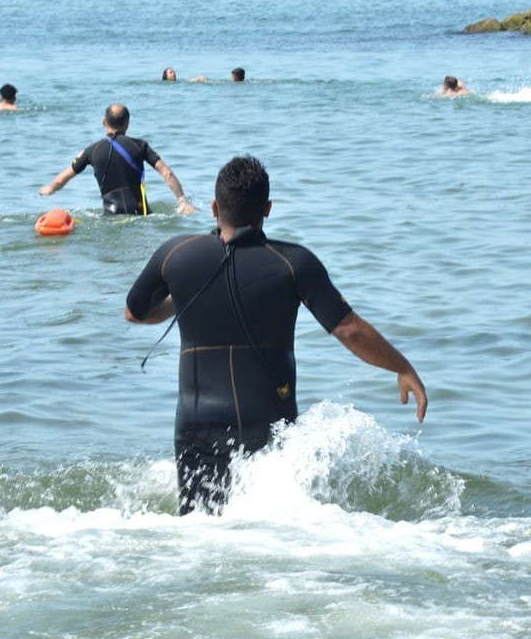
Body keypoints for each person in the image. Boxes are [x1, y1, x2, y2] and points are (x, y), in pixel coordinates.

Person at [124, 155, 428, 515]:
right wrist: (402, 367)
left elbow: (135, 311)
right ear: (267, 208)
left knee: (199, 532)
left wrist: (184, 299)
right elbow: (349, 329)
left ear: (214, 207)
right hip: (267, 420)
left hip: (196, 422)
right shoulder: (293, 262)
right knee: (266, 529)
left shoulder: (176, 253)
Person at [39, 103, 196, 215]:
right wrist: (183, 201)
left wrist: (50, 189)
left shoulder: (92, 151)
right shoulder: (140, 146)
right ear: (127, 123)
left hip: (111, 216)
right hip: (141, 214)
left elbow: (63, 178)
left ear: (104, 122)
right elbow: (166, 173)